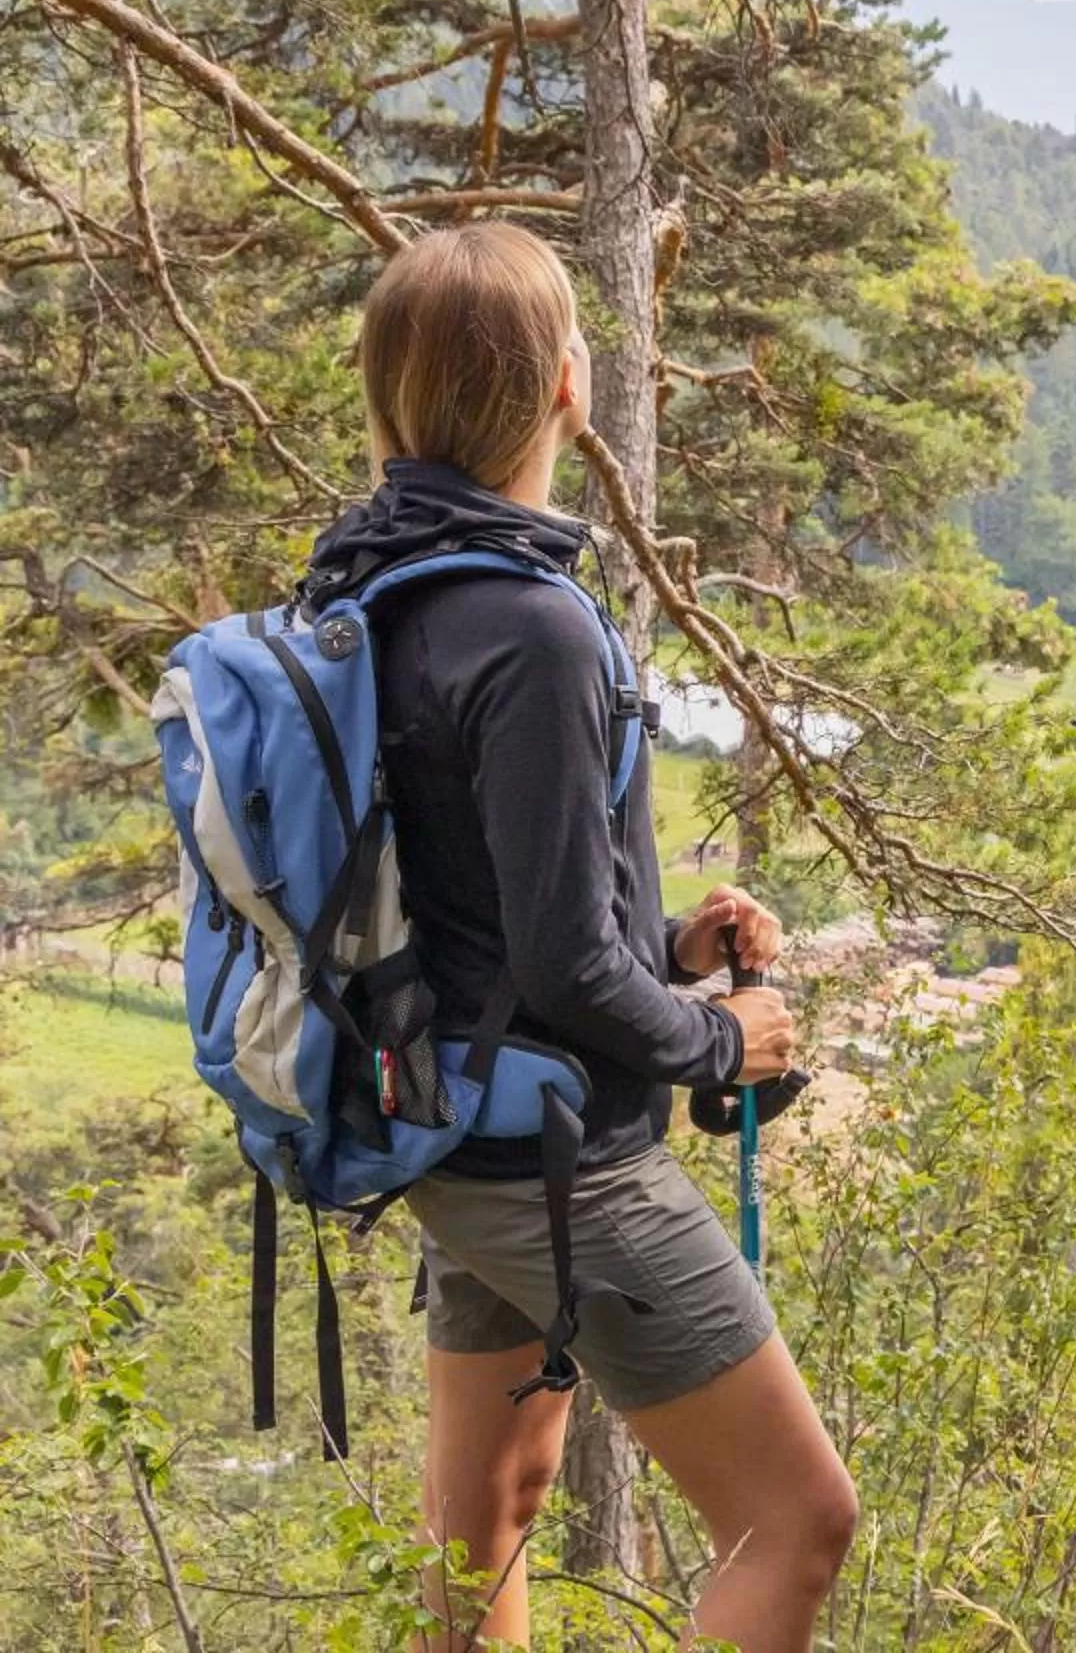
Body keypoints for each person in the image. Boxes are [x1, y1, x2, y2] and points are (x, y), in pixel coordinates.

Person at [301, 225, 858, 1651]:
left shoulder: (374, 584)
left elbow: (479, 898)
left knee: (494, 1501)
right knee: (797, 1523)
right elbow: (560, 969)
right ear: (565, 385)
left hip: (449, 1122)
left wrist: (665, 942)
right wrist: (720, 1031)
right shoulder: (531, 627)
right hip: (560, 1159)